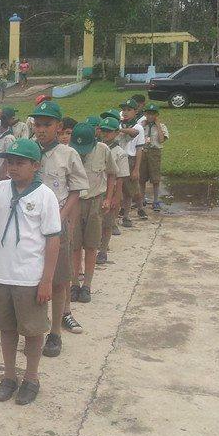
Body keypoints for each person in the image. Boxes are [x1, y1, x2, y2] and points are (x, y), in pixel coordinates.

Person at [0, 139, 61, 406]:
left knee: (33, 331)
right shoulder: (0, 189)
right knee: (6, 328)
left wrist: (46, 280)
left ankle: (31, 378)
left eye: (20, 163)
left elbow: (53, 240)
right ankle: (9, 375)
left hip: (30, 276)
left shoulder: (45, 196)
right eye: (10, 162)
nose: (13, 167)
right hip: (1, 273)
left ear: (35, 165)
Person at [29, 101, 88, 357]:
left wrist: (61, 217)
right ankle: (34, 329)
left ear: (59, 126)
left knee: (58, 279)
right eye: (37, 124)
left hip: (57, 223)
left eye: (47, 124)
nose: (41, 129)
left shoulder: (68, 154)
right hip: (30, 224)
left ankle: (55, 332)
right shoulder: (28, 150)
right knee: (32, 279)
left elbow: (76, 189)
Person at [68, 123, 117, 304]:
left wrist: (108, 198)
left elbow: (112, 174)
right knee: (74, 245)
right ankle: (74, 284)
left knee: (91, 245)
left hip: (95, 202)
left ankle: (87, 285)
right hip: (74, 202)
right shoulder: (67, 152)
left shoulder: (103, 150)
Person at [96, 117, 130, 265]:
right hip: (96, 189)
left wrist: (116, 197)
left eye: (109, 131)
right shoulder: (96, 148)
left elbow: (120, 177)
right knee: (96, 222)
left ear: (116, 133)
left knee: (108, 222)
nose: (105, 134)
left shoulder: (120, 153)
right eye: (103, 130)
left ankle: (103, 250)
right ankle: (98, 244)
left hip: (111, 189)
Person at [117, 98, 146, 223]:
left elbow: (139, 149)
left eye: (129, 110)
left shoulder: (138, 127)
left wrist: (136, 169)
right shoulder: (119, 125)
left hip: (131, 159)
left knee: (132, 190)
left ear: (135, 111)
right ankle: (124, 210)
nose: (125, 112)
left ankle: (134, 211)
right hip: (119, 159)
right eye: (124, 110)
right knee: (122, 188)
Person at [138, 104, 169, 211]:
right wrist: (142, 126)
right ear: (145, 114)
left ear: (156, 115)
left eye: (153, 114)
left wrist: (158, 125)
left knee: (155, 178)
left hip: (155, 152)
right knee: (142, 178)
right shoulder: (142, 125)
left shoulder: (162, 126)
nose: (150, 116)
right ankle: (142, 199)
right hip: (143, 151)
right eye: (148, 114)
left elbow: (161, 140)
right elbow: (137, 138)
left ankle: (156, 201)